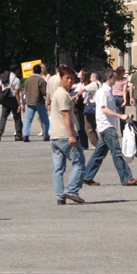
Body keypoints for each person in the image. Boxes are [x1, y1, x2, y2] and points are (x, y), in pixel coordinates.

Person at [83, 69, 137, 186]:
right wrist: (120, 116)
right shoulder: (103, 91)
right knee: (117, 153)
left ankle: (87, 176)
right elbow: (104, 109)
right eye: (114, 77)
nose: (116, 79)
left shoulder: (109, 91)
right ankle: (126, 178)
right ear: (109, 78)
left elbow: (112, 108)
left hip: (108, 126)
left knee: (99, 154)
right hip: (106, 126)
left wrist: (125, 116)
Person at [48, 67, 86, 204]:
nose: (70, 81)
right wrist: (71, 135)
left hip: (55, 136)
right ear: (61, 79)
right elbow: (65, 116)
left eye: (72, 78)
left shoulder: (57, 93)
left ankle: (60, 196)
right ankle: (71, 190)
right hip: (64, 135)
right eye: (67, 78)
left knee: (58, 169)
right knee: (79, 163)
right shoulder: (63, 94)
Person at [22, 63, 50, 142]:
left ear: (33, 70)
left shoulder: (28, 79)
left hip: (30, 102)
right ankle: (46, 135)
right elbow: (44, 92)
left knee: (28, 119)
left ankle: (25, 134)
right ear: (40, 71)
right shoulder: (41, 80)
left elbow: (26, 90)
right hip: (39, 102)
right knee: (44, 119)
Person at [0, 67, 23, 142]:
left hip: (5, 99)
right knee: (17, 118)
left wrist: (1, 93)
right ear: (16, 70)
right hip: (13, 99)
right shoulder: (16, 80)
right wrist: (19, 104)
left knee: (3, 116)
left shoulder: (5, 77)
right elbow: (17, 92)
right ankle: (18, 135)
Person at [83, 72, 101, 149]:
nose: (90, 79)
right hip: (98, 108)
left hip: (91, 108)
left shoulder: (94, 84)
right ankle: (98, 144)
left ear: (95, 78)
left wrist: (76, 95)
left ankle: (97, 145)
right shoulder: (101, 84)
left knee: (89, 128)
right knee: (93, 127)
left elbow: (83, 89)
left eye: (91, 77)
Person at [111, 66, 129, 133]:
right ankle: (123, 132)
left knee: (113, 115)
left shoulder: (113, 79)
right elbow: (124, 90)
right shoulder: (125, 80)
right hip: (120, 97)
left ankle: (113, 131)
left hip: (113, 97)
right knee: (122, 115)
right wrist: (125, 100)